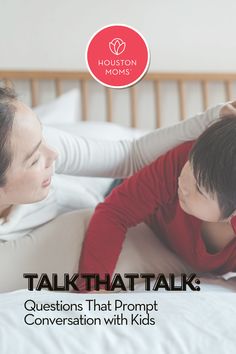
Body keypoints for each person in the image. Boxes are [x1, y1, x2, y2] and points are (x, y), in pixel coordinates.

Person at [0, 85, 234, 292]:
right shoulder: (185, 165)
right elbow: (115, 211)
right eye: (33, 160)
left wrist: (211, 117)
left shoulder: (33, 143)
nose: (55, 155)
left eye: (44, 137)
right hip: (125, 205)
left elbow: (130, 156)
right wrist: (94, 292)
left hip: (111, 194)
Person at [77, 116, 236, 292]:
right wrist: (93, 290)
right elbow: (114, 212)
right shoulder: (180, 162)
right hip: (132, 188)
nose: (183, 183)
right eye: (189, 163)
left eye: (199, 188)